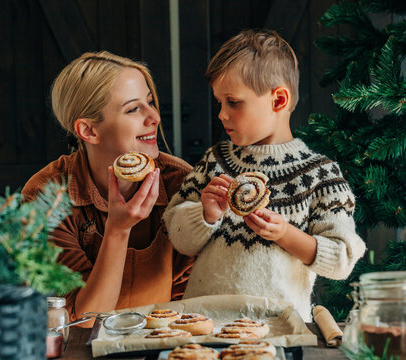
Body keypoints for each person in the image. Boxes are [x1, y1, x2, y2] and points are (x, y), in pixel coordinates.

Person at [163, 29, 366, 321]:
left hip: (278, 330)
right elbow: (177, 235)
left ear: (278, 100)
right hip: (205, 324)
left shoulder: (321, 176)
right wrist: (206, 215)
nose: (221, 114)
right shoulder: (214, 162)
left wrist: (286, 234)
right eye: (219, 102)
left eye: (233, 102)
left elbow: (341, 260)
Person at [22, 51, 194, 325]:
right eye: (133, 109)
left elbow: (190, 305)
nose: (155, 117)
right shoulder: (47, 196)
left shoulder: (180, 183)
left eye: (150, 102)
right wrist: (118, 229)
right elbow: (84, 319)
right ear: (88, 131)